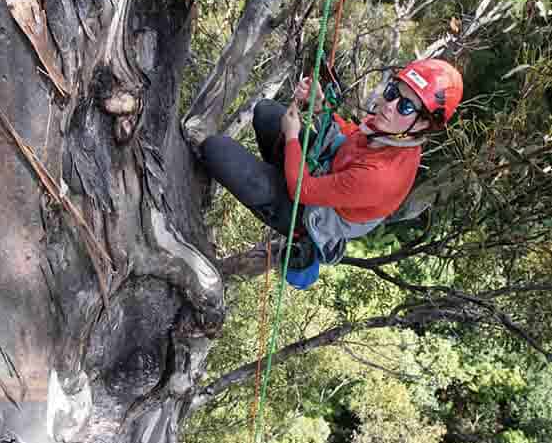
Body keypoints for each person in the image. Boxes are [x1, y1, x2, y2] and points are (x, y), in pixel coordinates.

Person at [198, 59, 464, 287]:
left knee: (215, 149)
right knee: (267, 111)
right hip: (328, 169)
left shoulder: (382, 175)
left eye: (406, 106)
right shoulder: (390, 130)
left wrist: (292, 138)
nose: (390, 105)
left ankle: (287, 213)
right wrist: (320, 105)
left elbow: (302, 191)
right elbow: (351, 135)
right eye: (394, 91)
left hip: (312, 210)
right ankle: (277, 177)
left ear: (425, 124)